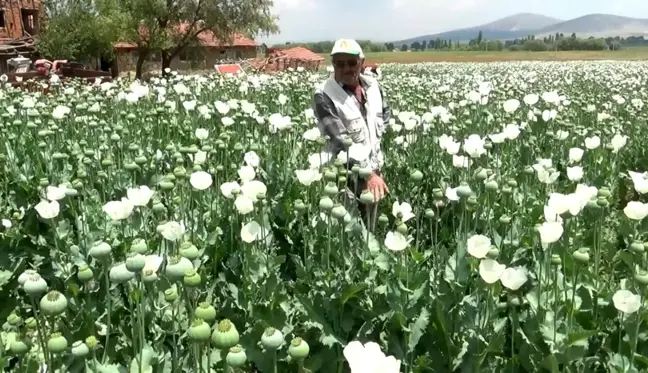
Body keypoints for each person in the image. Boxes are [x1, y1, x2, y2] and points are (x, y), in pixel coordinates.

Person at [312, 39, 391, 229]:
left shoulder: (374, 88)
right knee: (347, 230)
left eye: (352, 62)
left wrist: (375, 167)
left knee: (370, 229)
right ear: (333, 65)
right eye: (340, 63)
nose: (346, 68)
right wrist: (368, 174)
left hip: (373, 172)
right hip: (342, 177)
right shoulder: (324, 94)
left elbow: (385, 119)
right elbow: (340, 140)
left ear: (362, 63)